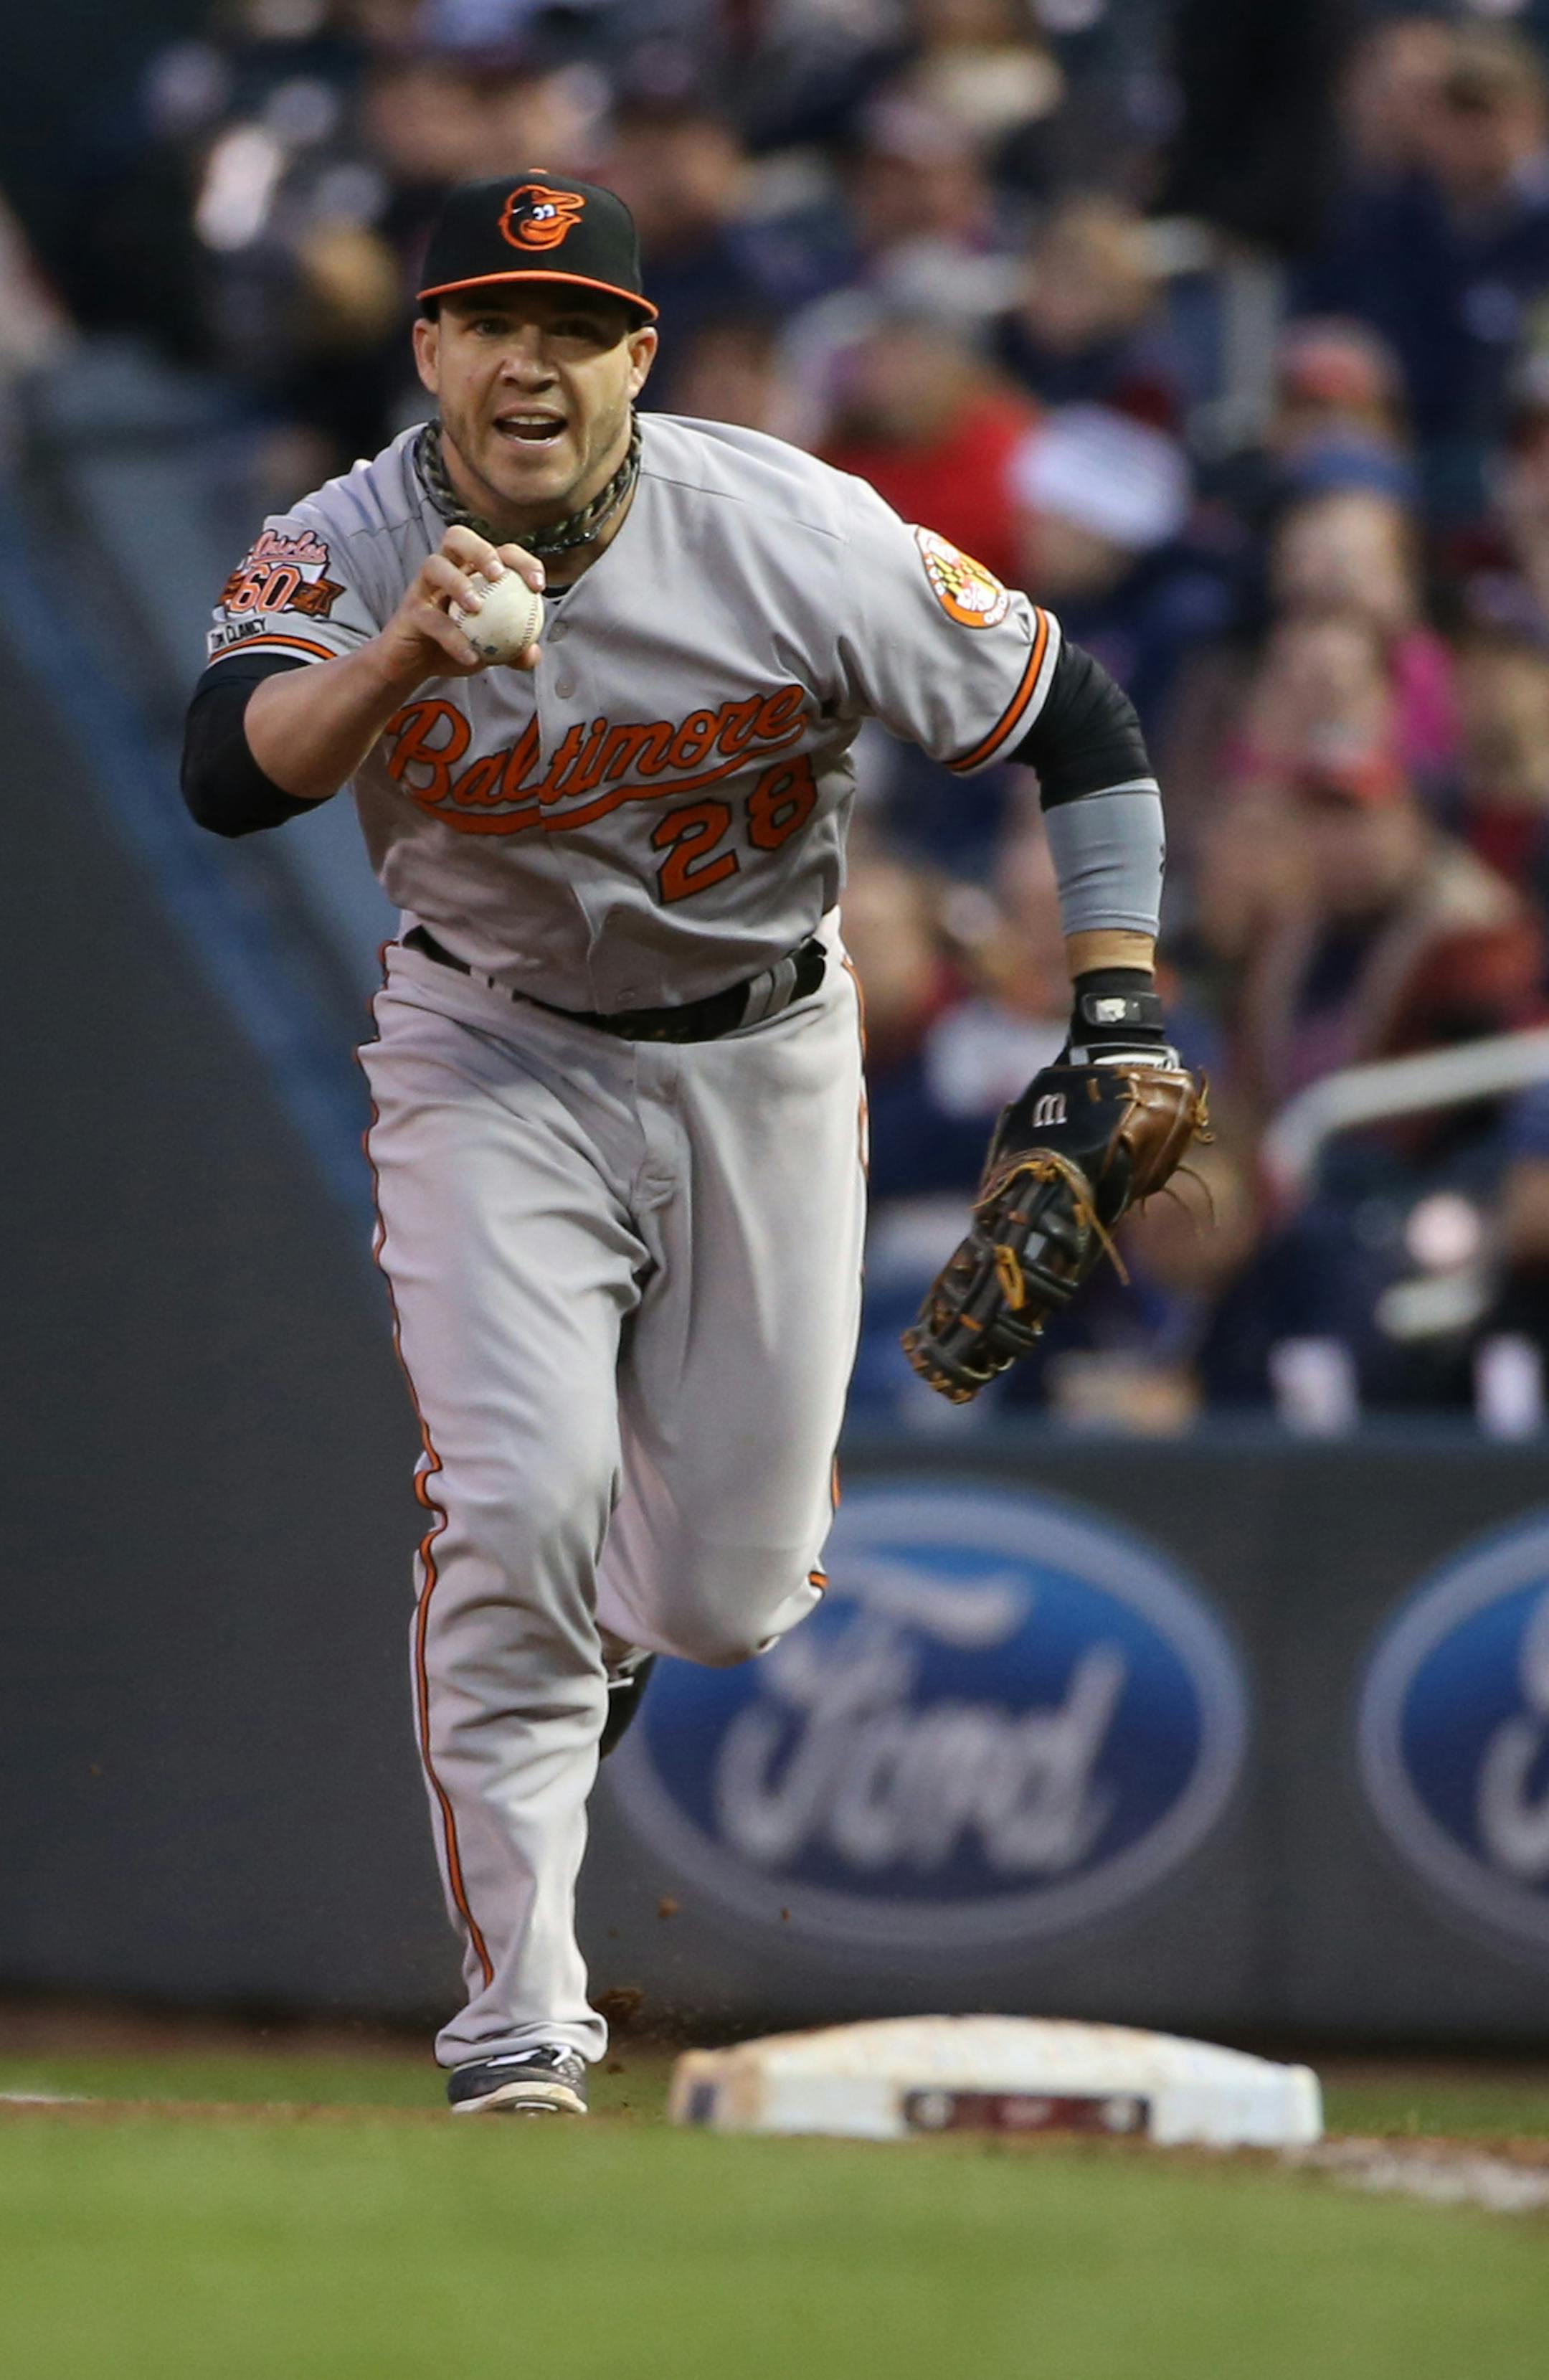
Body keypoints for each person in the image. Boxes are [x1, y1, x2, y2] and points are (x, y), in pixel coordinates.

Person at [180, 169, 1173, 2117]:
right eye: (490, 320)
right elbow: (228, 776)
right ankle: (520, 2028)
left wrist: (1118, 1013)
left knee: (719, 1598)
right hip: (492, 1049)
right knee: (516, 1502)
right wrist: (402, 659)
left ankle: (602, 1654)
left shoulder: (788, 526)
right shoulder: (344, 542)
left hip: (767, 1056)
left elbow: (1082, 718)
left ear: (641, 357)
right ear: (431, 352)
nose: (528, 358)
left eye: (573, 327)